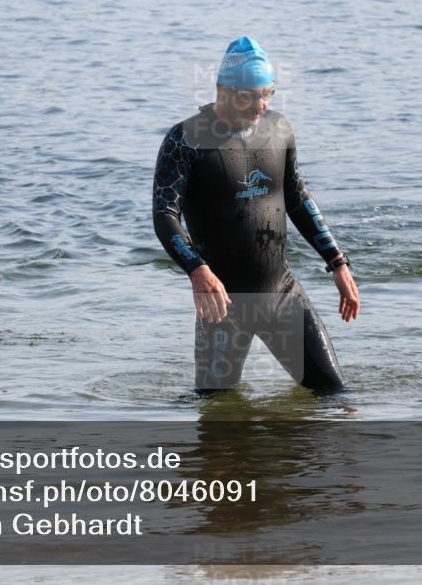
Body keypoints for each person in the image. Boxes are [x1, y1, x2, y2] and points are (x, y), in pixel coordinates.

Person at [152, 37, 360, 393]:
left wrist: (337, 262)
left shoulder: (278, 130)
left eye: (268, 94)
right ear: (222, 90)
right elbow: (165, 213)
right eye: (249, 96)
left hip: (281, 293)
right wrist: (197, 271)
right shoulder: (185, 139)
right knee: (216, 411)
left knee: (334, 396)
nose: (261, 105)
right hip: (223, 305)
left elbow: (297, 199)